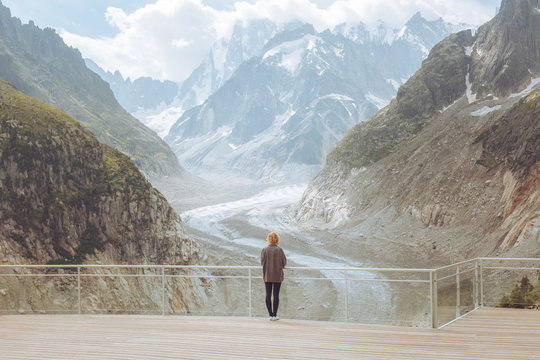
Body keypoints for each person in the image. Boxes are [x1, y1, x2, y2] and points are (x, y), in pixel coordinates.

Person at [260, 232, 287, 321]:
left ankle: (270, 315)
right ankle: (275, 315)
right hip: (277, 276)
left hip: (267, 275)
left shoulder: (264, 249)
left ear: (268, 239)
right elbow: (284, 263)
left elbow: (262, 262)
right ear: (277, 239)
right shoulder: (279, 250)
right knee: (276, 295)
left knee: (268, 294)